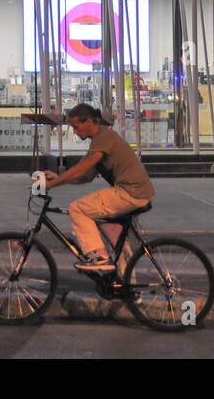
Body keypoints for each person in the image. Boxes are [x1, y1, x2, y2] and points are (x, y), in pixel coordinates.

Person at [42, 103, 155, 272]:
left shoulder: (104, 138)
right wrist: (58, 178)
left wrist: (51, 184)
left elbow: (80, 168)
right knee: (116, 242)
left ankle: (98, 256)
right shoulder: (100, 141)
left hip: (130, 192)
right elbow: (85, 176)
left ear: (88, 121)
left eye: (75, 126)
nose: (74, 131)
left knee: (78, 209)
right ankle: (125, 288)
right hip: (135, 193)